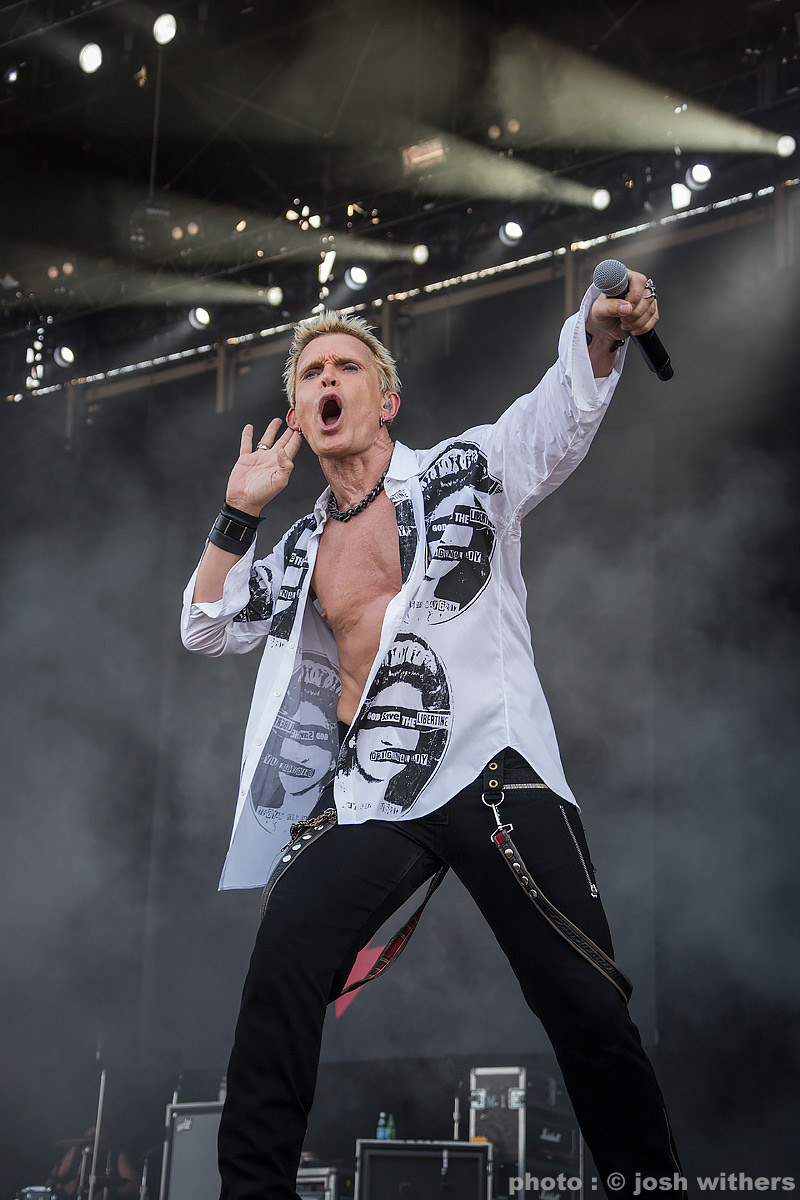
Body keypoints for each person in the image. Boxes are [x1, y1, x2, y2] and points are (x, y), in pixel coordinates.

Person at [181, 269, 685, 1200]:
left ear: (386, 399)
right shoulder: (297, 550)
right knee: (283, 962)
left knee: (582, 1002)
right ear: (299, 413)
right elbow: (205, 625)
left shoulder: (467, 469)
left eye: (346, 367)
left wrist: (600, 329)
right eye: (310, 373)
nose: (326, 380)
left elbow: (557, 416)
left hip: (492, 768)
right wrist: (239, 513)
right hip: (373, 796)